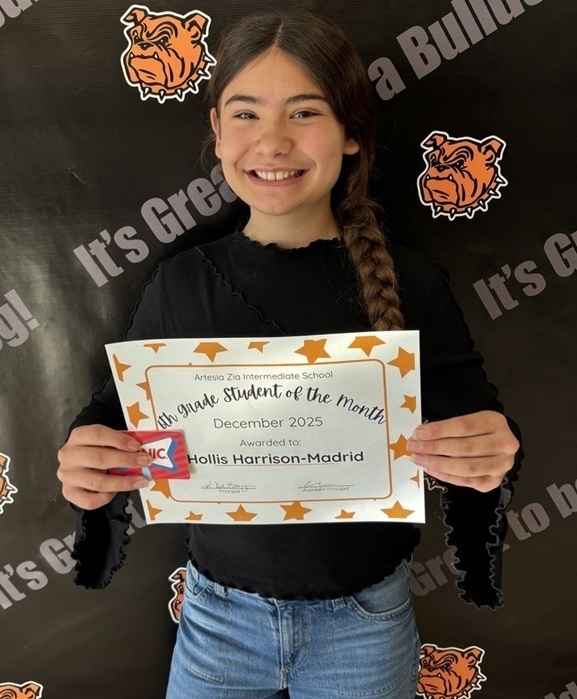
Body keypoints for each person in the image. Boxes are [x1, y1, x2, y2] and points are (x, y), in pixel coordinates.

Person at [57, 10, 521, 699]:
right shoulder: (182, 281)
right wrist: (91, 453)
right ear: (216, 131)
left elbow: (475, 426)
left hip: (366, 620)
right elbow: (118, 411)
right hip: (216, 615)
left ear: (352, 133)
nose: (271, 141)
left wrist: (493, 453)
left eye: (304, 111)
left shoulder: (410, 283)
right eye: (245, 113)